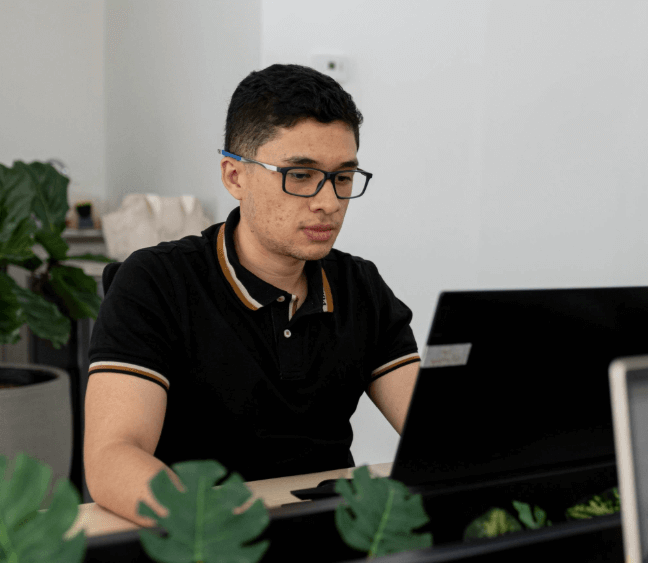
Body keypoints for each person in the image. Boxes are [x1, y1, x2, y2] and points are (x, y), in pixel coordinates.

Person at [84, 64, 421, 526]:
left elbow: (437, 436)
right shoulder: (156, 282)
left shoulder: (359, 286)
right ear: (234, 176)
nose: (328, 202)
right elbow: (112, 460)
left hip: (328, 530)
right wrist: (227, 530)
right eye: (300, 175)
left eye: (343, 177)